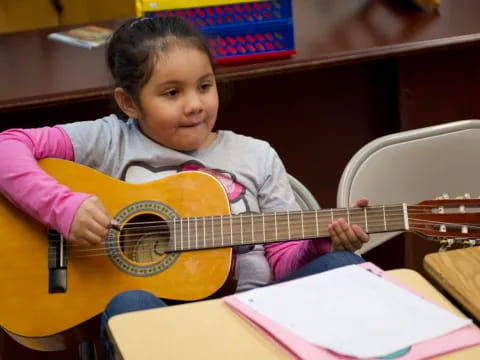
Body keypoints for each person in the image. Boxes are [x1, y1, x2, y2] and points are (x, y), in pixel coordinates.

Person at [0, 16, 369, 359]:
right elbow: (6, 147)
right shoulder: (110, 140)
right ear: (129, 102)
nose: (195, 105)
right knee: (130, 305)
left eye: (204, 86)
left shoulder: (255, 155)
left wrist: (319, 245)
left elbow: (283, 259)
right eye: (172, 93)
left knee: (344, 265)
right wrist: (64, 209)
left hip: (256, 320)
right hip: (164, 334)